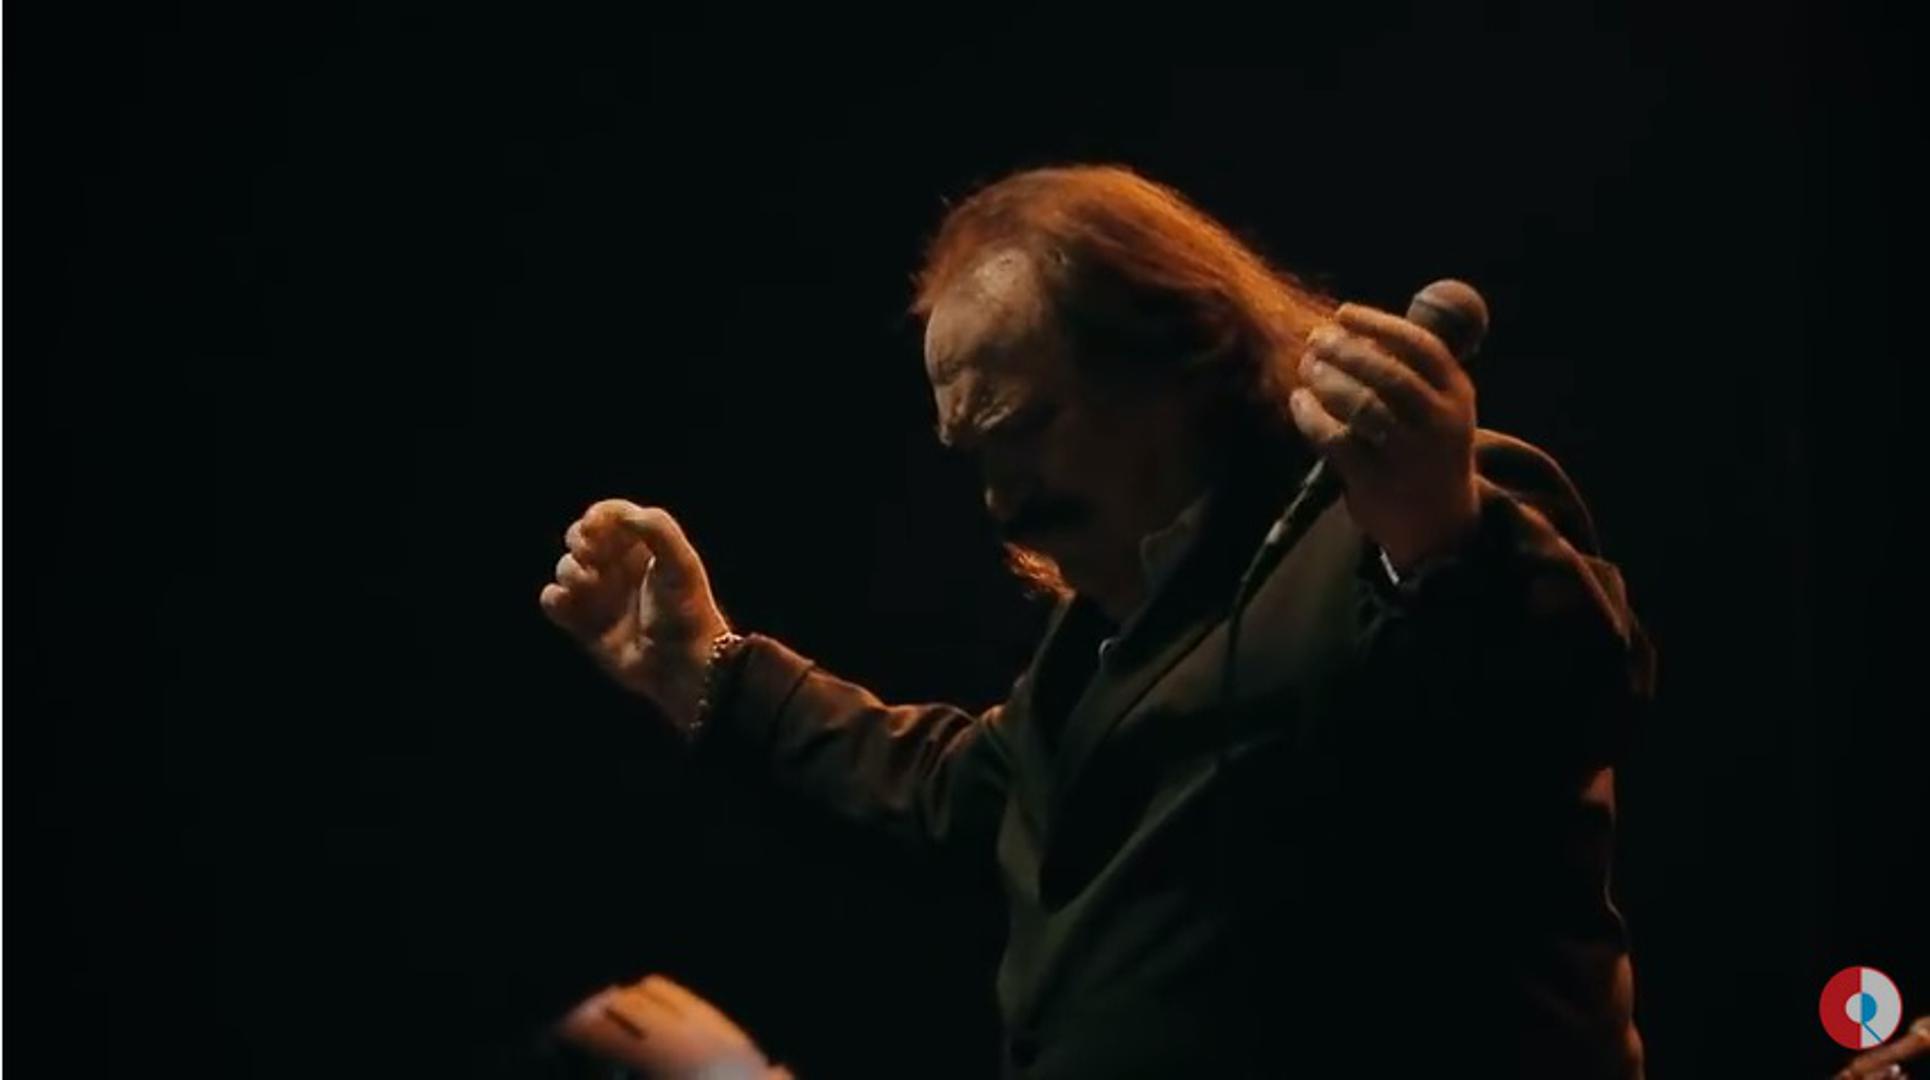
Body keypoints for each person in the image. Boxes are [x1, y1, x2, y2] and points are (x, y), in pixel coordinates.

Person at [540, 165, 1655, 1078]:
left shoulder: (1412, 522)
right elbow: (952, 796)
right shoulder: (1110, 638)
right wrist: (702, 666)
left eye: (1025, 428)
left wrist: (1436, 530)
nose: (999, 502)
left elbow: (1559, 712)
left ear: (1182, 356)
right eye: (972, 456)